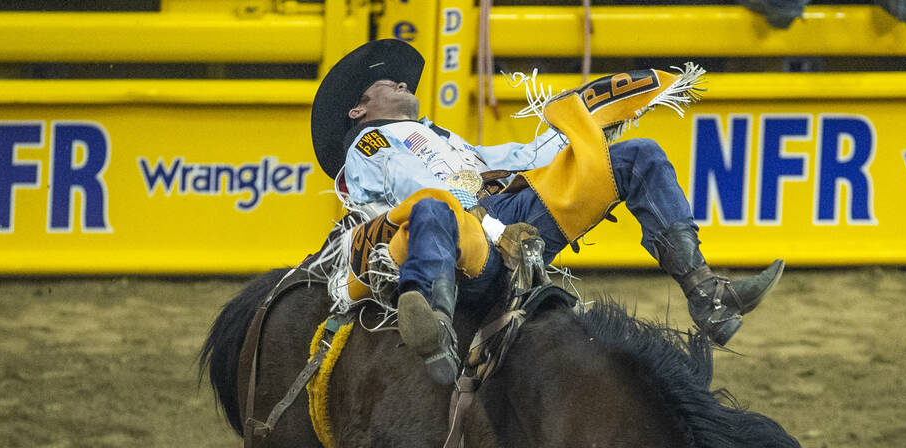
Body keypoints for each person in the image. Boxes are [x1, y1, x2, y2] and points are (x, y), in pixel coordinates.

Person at [311, 39, 784, 384]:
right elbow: (424, 186)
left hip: (494, 222)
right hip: (458, 235)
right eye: (385, 83)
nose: (400, 82)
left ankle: (708, 296)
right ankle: (432, 326)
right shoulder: (370, 143)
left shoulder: (441, 138)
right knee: (434, 207)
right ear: (359, 111)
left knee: (637, 156)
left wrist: (584, 128)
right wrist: (496, 228)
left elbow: (515, 159)